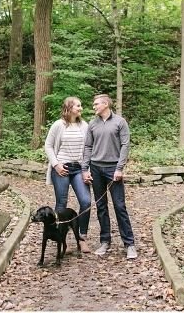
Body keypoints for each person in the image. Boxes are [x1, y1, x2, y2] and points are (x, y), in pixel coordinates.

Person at [82, 94, 137, 259]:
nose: (94, 107)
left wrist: (119, 168)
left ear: (106, 104)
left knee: (119, 206)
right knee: (101, 207)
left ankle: (129, 244)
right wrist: (85, 168)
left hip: (113, 169)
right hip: (96, 169)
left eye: (96, 104)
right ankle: (105, 241)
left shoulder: (120, 122)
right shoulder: (92, 124)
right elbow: (87, 146)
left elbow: (125, 145)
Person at [44, 96, 92, 253]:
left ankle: (82, 238)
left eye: (81, 105)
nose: (81, 108)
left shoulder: (84, 125)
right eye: (78, 105)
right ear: (69, 107)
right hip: (62, 169)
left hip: (79, 168)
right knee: (61, 204)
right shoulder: (58, 125)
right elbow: (48, 146)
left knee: (85, 202)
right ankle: (62, 240)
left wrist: (87, 169)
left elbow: (89, 148)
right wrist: (56, 164)